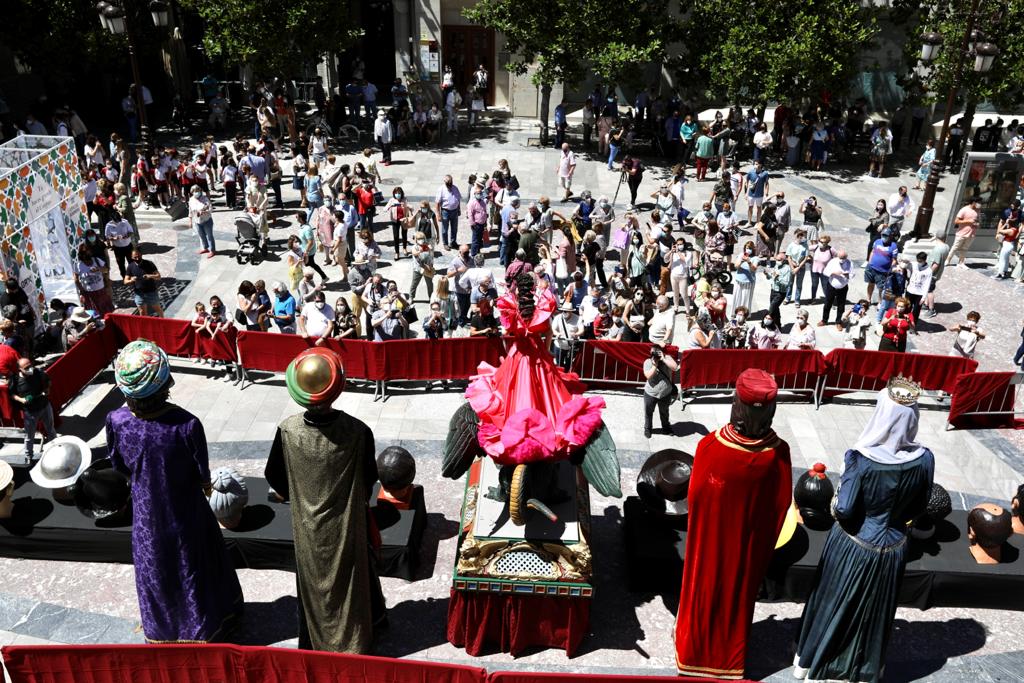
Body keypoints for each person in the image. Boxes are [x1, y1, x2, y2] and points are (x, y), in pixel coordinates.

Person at [794, 381, 934, 683]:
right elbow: (918, 506)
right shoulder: (924, 458)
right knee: (875, 614)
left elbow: (844, 509)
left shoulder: (860, 458)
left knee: (837, 603)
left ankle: (822, 664)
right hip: (894, 546)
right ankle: (862, 668)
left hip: (854, 545)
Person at [107, 341, 244, 643]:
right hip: (184, 508)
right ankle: (204, 626)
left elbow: (118, 463)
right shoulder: (186, 424)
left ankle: (162, 630)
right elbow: (202, 475)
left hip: (145, 511)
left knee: (156, 567)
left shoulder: (116, 421)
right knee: (192, 564)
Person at [265, 348, 385, 651]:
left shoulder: (288, 431)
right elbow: (369, 479)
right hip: (347, 522)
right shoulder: (359, 431)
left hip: (307, 526)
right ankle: (354, 638)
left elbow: (275, 478)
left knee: (312, 580)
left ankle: (317, 642)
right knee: (350, 576)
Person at [676, 370, 791, 680]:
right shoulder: (778, 453)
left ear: (736, 404)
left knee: (703, 592)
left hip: (710, 545)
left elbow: (696, 498)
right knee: (737, 596)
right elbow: (780, 506)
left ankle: (694, 654)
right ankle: (728, 658)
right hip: (747, 547)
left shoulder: (711, 447)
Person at [11, 358, 56, 462]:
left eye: (30, 365)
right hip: (30, 413)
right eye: (26, 368)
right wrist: (21, 399)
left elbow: (48, 381)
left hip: (45, 406)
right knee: (29, 436)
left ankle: (55, 449)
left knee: (51, 430)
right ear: (20, 369)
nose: (30, 369)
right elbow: (12, 394)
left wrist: (47, 389)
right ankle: (28, 456)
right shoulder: (16, 380)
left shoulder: (37, 372)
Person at [642, 345, 678, 438]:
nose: (655, 354)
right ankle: (648, 429)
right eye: (653, 352)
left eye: (657, 352)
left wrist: (664, 359)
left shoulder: (668, 358)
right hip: (651, 393)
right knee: (648, 412)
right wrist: (655, 365)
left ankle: (666, 428)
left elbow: (675, 367)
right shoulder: (648, 362)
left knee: (664, 412)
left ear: (662, 352)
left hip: (665, 393)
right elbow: (648, 376)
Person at [125, 248, 163, 317]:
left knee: (157, 309)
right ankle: (145, 326)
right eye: (135, 257)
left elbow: (158, 276)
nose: (137, 259)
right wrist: (131, 280)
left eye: (138, 256)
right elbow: (125, 281)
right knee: (142, 312)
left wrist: (150, 276)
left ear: (141, 255)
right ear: (131, 257)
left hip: (151, 291)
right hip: (139, 293)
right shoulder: (130, 266)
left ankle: (163, 323)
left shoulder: (149, 263)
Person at [865, 228, 899, 306]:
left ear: (890, 236)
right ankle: (868, 299)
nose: (884, 237)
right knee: (870, 284)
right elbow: (872, 251)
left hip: (883, 271)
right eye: (883, 235)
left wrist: (890, 270)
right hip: (871, 268)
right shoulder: (877, 242)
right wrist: (869, 263)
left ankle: (880, 302)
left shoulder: (893, 246)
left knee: (881, 288)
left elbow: (894, 260)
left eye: (886, 235)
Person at [947, 198, 981, 268]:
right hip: (961, 233)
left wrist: (977, 224)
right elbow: (956, 221)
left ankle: (961, 263)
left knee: (965, 249)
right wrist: (968, 221)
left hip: (971, 234)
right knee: (955, 247)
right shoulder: (964, 210)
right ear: (974, 202)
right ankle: (947, 260)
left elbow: (978, 221)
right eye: (979, 202)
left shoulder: (978, 211)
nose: (980, 204)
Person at [821, 249, 851, 328]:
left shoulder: (849, 263)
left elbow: (852, 273)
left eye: (843, 257)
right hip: (831, 286)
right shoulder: (833, 262)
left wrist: (848, 275)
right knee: (828, 304)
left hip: (843, 287)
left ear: (846, 257)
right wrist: (834, 272)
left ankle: (838, 322)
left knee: (841, 305)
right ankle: (824, 320)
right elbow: (825, 272)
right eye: (840, 257)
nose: (841, 259)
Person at [435, 175, 462, 251]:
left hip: (454, 211)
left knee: (454, 228)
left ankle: (453, 242)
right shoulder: (441, 189)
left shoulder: (455, 188)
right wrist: (438, 214)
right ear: (445, 182)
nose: (450, 185)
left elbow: (458, 199)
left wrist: (459, 209)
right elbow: (437, 203)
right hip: (445, 211)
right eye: (448, 183)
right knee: (445, 229)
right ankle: (445, 243)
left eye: (451, 183)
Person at [188, 186, 216, 258]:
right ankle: (205, 248)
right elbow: (190, 211)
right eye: (194, 191)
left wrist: (204, 212)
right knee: (201, 235)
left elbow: (210, 209)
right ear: (192, 192)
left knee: (209, 236)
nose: (196, 192)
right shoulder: (191, 200)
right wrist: (190, 221)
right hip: (197, 221)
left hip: (206, 220)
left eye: (197, 190)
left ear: (200, 191)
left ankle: (212, 250)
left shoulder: (205, 199)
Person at [785, 229, 810, 307]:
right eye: (804, 237)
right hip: (792, 266)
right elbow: (788, 257)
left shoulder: (805, 246)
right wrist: (793, 267)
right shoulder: (791, 245)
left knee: (799, 285)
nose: (805, 238)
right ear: (799, 236)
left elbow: (806, 258)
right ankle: (787, 298)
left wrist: (798, 268)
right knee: (790, 283)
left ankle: (797, 300)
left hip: (801, 268)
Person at [767, 252, 792, 326]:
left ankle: (767, 323)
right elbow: (772, 276)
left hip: (780, 293)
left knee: (771, 309)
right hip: (773, 290)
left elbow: (786, 283)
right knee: (775, 309)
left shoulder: (787, 269)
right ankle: (777, 324)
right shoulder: (777, 266)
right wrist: (767, 274)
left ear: (784, 260)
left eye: (779, 260)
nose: (777, 261)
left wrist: (778, 277)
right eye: (776, 259)